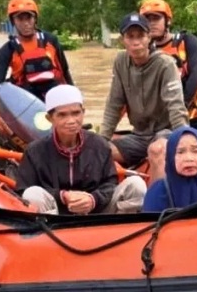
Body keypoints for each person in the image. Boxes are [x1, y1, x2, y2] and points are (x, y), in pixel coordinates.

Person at [14, 84, 146, 215]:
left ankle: (123, 230)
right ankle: (48, 233)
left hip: (98, 213)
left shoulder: (99, 144)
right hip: (56, 217)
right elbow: (22, 190)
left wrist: (93, 199)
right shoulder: (35, 151)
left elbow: (110, 183)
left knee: (136, 185)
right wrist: (63, 196)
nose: (71, 120)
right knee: (32, 193)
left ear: (83, 113)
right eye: (62, 115)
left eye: (76, 113)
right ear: (50, 118)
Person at [99, 12, 188, 183]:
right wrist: (101, 140)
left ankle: (156, 204)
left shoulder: (165, 64)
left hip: (165, 131)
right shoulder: (120, 61)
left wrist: (183, 138)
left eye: (140, 35)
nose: (136, 41)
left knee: (157, 150)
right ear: (123, 40)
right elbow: (114, 104)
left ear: (149, 38)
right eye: (130, 36)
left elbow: (176, 106)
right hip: (139, 135)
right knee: (100, 150)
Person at [0, 0, 73, 135]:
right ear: (13, 21)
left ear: (35, 19)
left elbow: (65, 71)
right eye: (20, 19)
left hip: (52, 97)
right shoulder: (7, 50)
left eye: (29, 18)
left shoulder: (51, 41)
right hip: (25, 102)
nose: (26, 23)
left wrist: (74, 100)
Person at [139, 0, 197, 149]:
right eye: (147, 19)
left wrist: (180, 108)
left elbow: (196, 74)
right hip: (165, 123)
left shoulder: (187, 41)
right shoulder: (144, 52)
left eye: (156, 18)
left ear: (167, 21)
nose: (152, 23)